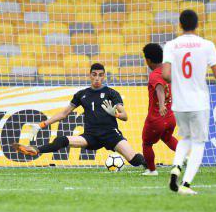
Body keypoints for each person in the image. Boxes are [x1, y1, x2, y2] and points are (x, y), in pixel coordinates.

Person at [12, 63, 147, 169]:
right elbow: (63, 114)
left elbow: (125, 116)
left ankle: (150, 167)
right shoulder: (81, 94)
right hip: (91, 136)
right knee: (62, 140)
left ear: (104, 76)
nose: (97, 78)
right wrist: (42, 124)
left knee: (134, 160)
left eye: (100, 75)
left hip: (111, 134)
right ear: (90, 75)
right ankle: (35, 150)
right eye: (94, 74)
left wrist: (115, 114)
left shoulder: (111, 93)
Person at [162, 9, 216, 195]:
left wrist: (180, 81)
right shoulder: (206, 45)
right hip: (199, 102)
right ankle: (186, 184)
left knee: (186, 138)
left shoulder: (171, 45)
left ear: (180, 25)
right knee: (198, 142)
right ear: (198, 24)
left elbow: (165, 74)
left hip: (179, 102)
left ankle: (176, 166)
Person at [140, 43, 178, 176]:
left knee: (147, 143)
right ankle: (184, 157)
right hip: (171, 117)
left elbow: (159, 87)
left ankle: (151, 170)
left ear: (148, 60)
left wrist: (161, 105)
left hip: (157, 118)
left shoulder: (154, 75)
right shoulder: (168, 70)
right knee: (167, 138)